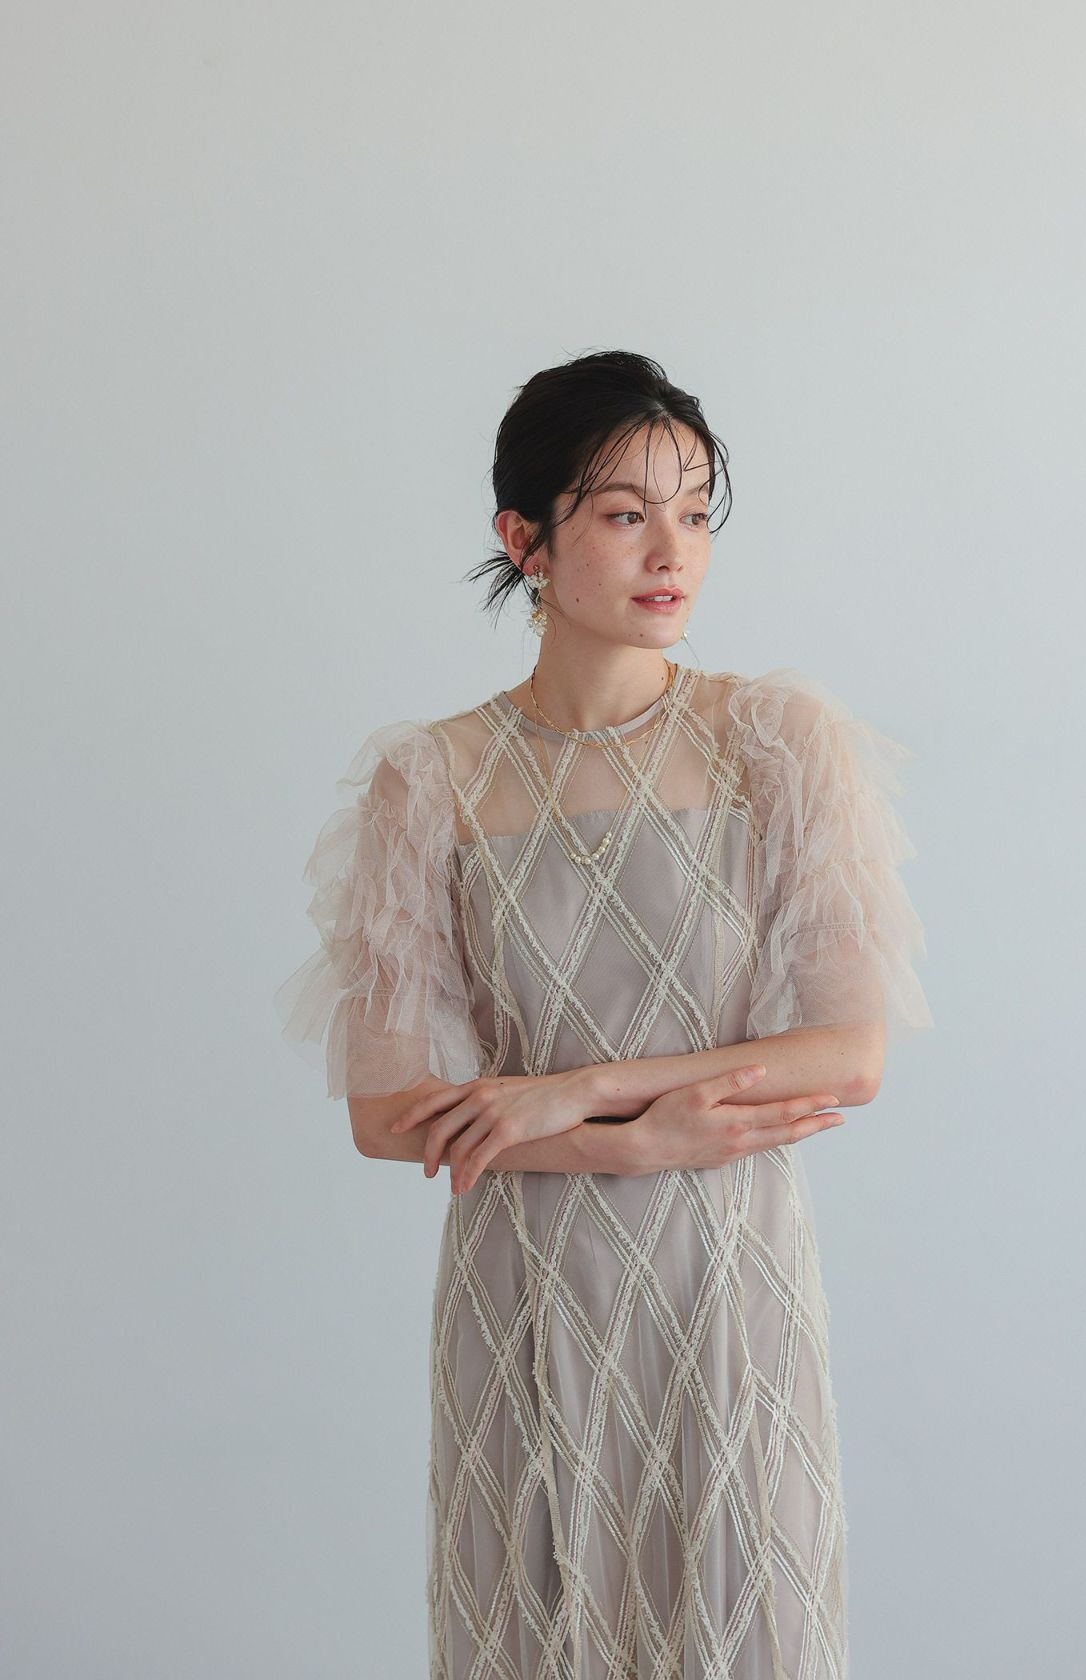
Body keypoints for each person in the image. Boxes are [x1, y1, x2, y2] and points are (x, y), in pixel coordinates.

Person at [274, 350, 934, 1679]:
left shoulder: (772, 742)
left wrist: (572, 1091)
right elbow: (388, 1114)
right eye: (626, 514)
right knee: (537, 1625)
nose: (672, 551)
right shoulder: (433, 779)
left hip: (726, 1278)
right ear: (524, 538)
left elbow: (848, 1054)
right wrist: (629, 1145)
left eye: (694, 512)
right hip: (525, 1283)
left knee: (744, 1622)